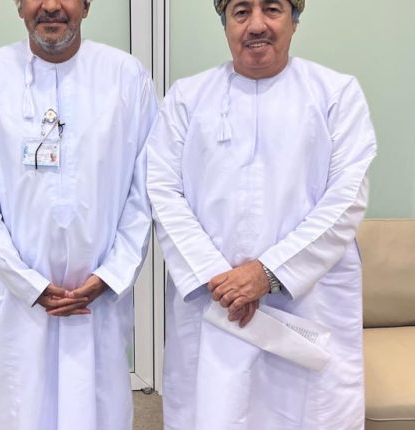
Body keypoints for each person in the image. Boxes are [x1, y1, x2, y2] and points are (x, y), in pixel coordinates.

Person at [146, 0, 377, 428]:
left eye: (271, 9)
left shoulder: (336, 94)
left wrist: (268, 272)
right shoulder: (187, 98)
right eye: (240, 12)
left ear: (294, 20)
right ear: (225, 24)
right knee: (216, 408)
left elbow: (346, 199)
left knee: (303, 412)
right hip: (215, 298)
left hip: (306, 298)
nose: (256, 25)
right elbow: (163, 189)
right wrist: (218, 278)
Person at [0, 0, 158, 428]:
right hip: (17, 299)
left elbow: (144, 191)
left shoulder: (126, 77)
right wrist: (27, 283)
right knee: (22, 408)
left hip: (97, 297)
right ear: (18, 6)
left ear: (86, 5)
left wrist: (111, 275)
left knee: (96, 409)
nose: (50, 6)